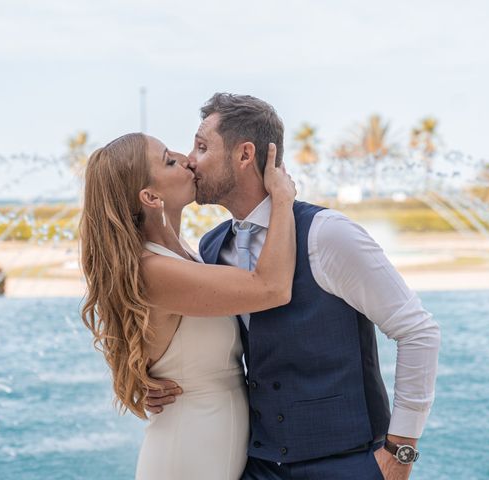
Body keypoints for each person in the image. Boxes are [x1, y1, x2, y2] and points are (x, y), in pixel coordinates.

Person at [148, 93, 442, 480]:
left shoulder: (328, 234)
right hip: (259, 465)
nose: (190, 159)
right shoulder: (212, 246)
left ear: (244, 154)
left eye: (202, 147)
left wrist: (399, 453)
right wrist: (146, 375)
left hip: (348, 462)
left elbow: (418, 331)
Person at [78, 132, 296, 480]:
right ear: (150, 197)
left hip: (207, 445)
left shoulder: (183, 254)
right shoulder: (154, 271)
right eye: (168, 160)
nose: (187, 159)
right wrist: (283, 200)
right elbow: (271, 288)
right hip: (188, 452)